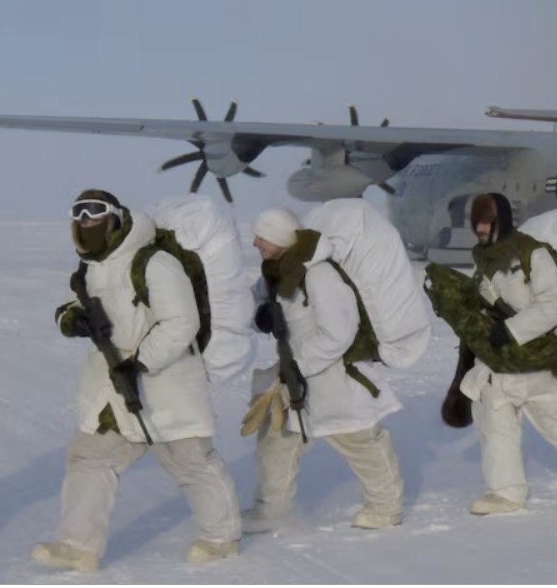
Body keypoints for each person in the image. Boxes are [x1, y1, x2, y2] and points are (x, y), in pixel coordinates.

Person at [31, 191, 241, 573]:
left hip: (167, 383)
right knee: (89, 458)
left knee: (191, 463)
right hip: (110, 386)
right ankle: (78, 546)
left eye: (94, 216)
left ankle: (221, 538)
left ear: (114, 218)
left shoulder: (154, 263)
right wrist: (72, 320)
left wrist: (141, 362)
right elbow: (69, 303)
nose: (86, 224)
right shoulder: (88, 268)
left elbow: (182, 323)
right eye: (79, 217)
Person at [239, 208, 405, 533]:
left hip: (334, 379)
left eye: (262, 236)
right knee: (276, 440)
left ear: (279, 238)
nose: (256, 241)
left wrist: (300, 365)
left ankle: (386, 507)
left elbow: (339, 332)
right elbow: (253, 303)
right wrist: (261, 316)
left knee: (359, 440)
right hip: (293, 376)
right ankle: (271, 511)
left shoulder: (320, 275)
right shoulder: (275, 272)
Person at [451, 193, 557, 514]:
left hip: (537, 353)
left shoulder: (532, 254)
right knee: (493, 410)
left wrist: (514, 329)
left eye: (487, 222)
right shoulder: (483, 259)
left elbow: (554, 304)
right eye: (477, 223)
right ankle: (506, 492)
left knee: (555, 420)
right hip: (501, 358)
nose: (481, 229)